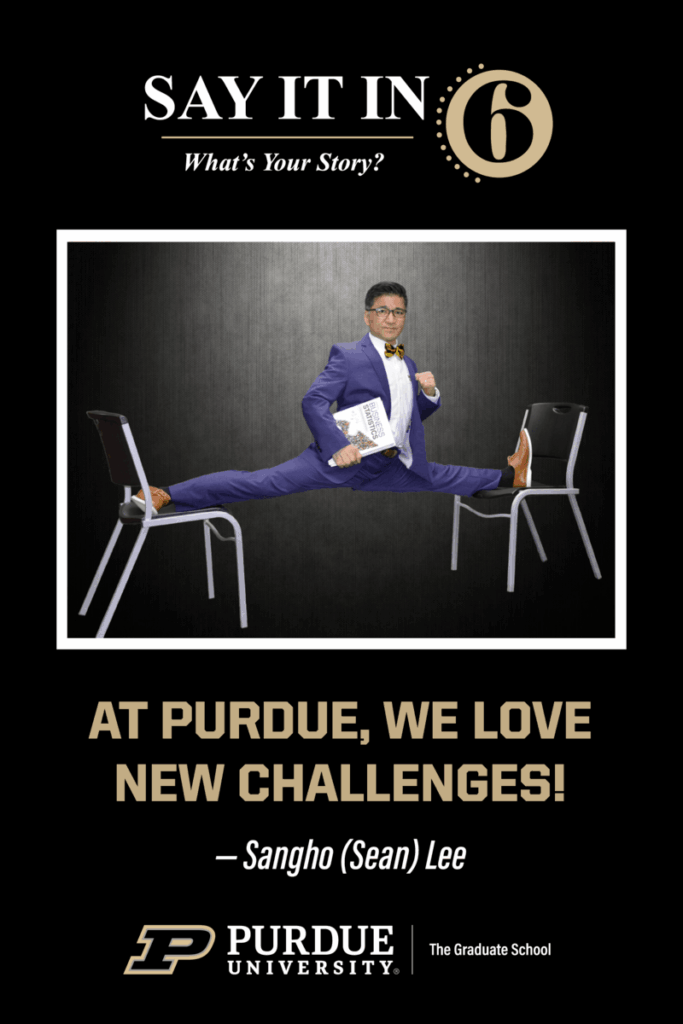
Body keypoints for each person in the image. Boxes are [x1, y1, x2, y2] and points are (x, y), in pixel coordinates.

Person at [132, 282, 531, 515]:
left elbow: (406, 418)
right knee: (263, 482)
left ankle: (510, 475)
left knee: (443, 476)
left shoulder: (406, 360)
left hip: (386, 464)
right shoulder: (349, 355)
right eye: (383, 311)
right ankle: (167, 493)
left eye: (399, 312)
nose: (392, 318)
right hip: (339, 460)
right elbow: (312, 402)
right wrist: (338, 446)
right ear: (368, 316)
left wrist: (429, 394)